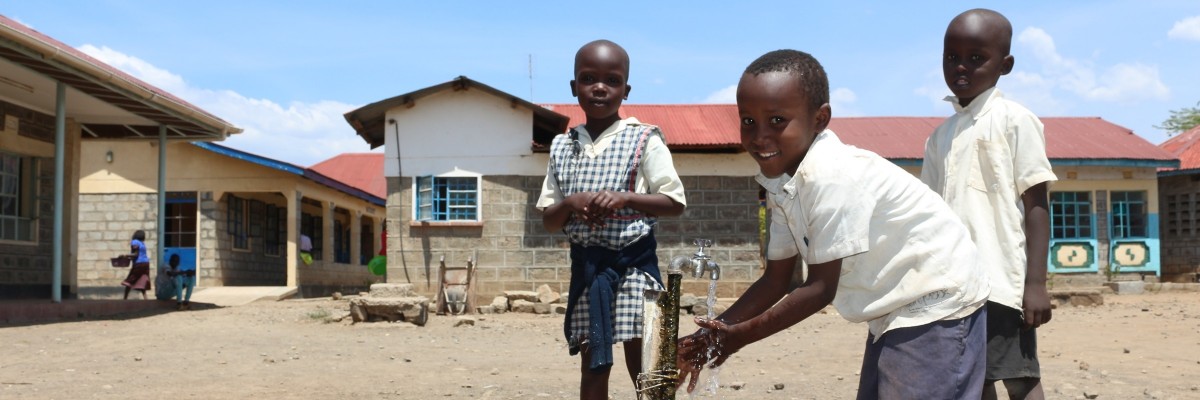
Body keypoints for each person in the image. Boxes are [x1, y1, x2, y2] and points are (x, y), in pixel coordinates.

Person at [675, 49, 990, 399]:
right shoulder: (781, 183)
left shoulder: (831, 176)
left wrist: (738, 337)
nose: (759, 136)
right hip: (894, 308)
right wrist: (715, 333)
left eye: (777, 121)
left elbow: (819, 289)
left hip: (937, 300)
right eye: (748, 121)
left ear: (820, 118)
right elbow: (776, 278)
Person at [536, 39, 686, 400]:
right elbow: (550, 221)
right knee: (593, 368)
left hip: (635, 267)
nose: (600, 87)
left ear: (625, 90)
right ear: (574, 88)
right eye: (588, 78)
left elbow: (675, 202)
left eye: (612, 80)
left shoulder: (644, 139)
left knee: (647, 367)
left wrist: (626, 197)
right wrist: (572, 202)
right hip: (589, 271)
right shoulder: (562, 147)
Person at [921, 9, 1057, 400]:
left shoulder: (1016, 120)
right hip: (956, 285)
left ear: (1006, 64)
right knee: (973, 378)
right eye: (952, 56)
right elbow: (931, 215)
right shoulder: (939, 136)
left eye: (976, 58)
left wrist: (1035, 284)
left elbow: (1036, 204)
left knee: (1019, 376)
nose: (961, 67)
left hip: (1002, 282)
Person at [121, 230, 152, 300]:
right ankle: (145, 298)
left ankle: (125, 298)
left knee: (130, 279)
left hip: (139, 263)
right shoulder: (142, 243)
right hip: (146, 264)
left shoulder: (134, 242)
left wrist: (125, 256)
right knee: (142, 280)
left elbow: (135, 254)